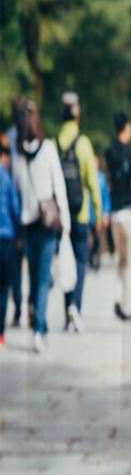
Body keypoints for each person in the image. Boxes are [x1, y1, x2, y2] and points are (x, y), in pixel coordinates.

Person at [12, 101, 71, 352]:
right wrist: (65, 223)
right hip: (47, 224)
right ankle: (39, 329)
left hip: (26, 225)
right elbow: (59, 187)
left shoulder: (16, 154)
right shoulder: (48, 149)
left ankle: (37, 319)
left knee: (34, 276)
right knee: (42, 278)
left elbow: (16, 189)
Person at [56, 91, 102, 333]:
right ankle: (75, 306)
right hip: (81, 215)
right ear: (77, 116)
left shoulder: (53, 144)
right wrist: (98, 212)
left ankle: (66, 314)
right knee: (81, 262)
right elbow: (93, 184)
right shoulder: (83, 144)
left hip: (62, 218)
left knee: (66, 262)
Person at [105, 110, 131, 322]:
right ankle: (127, 309)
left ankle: (117, 298)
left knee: (121, 260)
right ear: (126, 128)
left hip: (115, 215)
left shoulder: (109, 153)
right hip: (129, 213)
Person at [0, 135, 21, 345]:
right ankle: (0, 332)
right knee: (4, 286)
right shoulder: (5, 177)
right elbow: (15, 209)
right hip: (5, 238)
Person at [88, 154, 112, 270]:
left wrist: (106, 213)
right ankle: (90, 259)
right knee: (89, 241)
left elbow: (106, 198)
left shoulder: (101, 178)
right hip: (88, 215)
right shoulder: (87, 176)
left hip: (99, 214)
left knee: (98, 241)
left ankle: (96, 261)